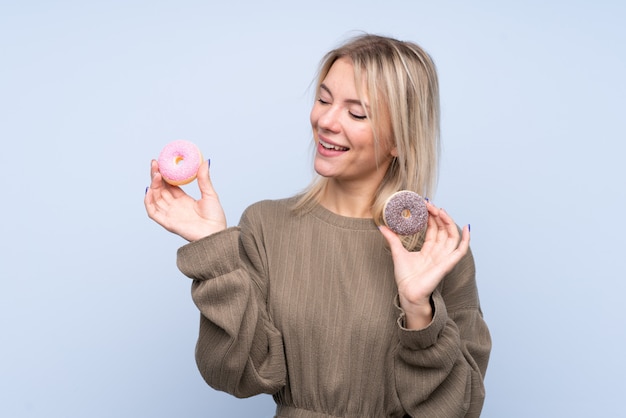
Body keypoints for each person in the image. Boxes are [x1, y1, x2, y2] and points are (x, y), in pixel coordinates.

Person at [145, 33, 491, 418]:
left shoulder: (439, 248)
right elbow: (234, 374)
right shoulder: (265, 225)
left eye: (356, 113)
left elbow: (460, 408)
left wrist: (418, 310)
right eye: (324, 99)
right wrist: (215, 252)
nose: (325, 121)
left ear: (399, 140)